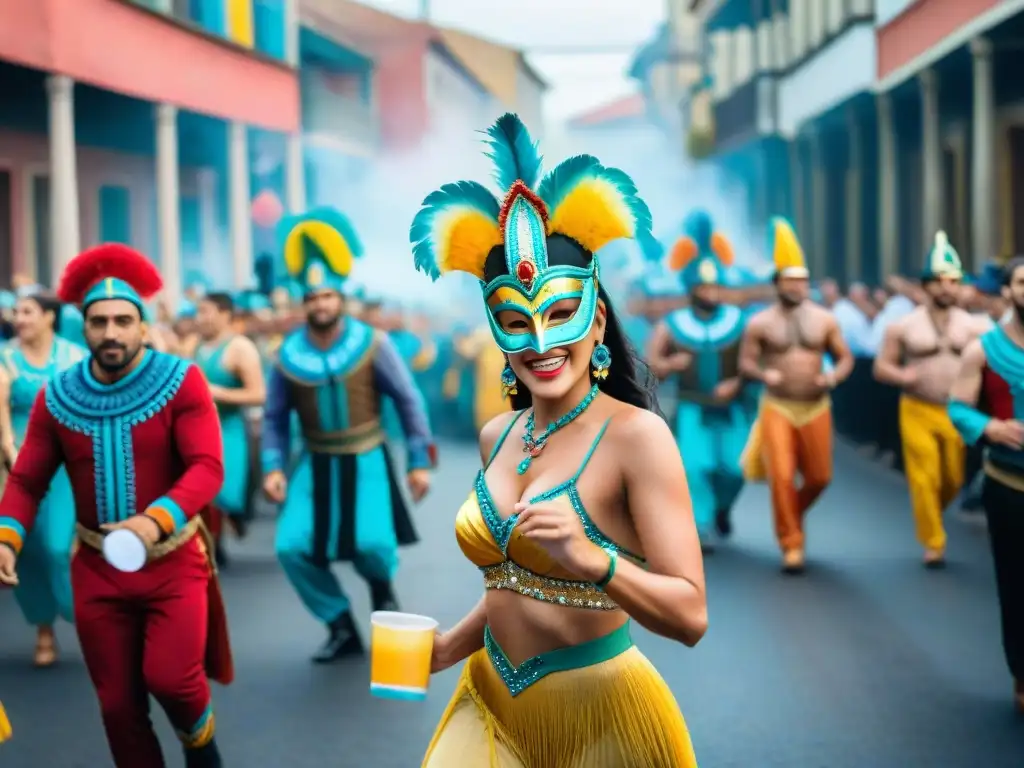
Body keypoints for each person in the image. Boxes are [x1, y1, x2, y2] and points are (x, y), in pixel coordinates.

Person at [411, 113, 705, 767]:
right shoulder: (500, 433)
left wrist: (591, 557)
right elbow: (510, 583)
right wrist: (446, 648)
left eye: (560, 315)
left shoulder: (637, 438)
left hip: (603, 719)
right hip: (486, 697)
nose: (541, 343)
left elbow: (690, 616)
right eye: (517, 321)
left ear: (596, 320)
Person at [0, 243, 232, 768]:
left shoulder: (182, 381)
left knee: (173, 678)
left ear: (143, 326)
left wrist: (155, 522)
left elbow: (207, 469)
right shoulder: (56, 395)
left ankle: (202, 748)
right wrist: (7, 538)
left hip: (174, 560)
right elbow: (28, 478)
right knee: (117, 706)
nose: (111, 332)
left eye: (124, 320)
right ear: (81, 326)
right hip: (97, 569)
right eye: (99, 320)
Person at [262, 207, 437, 663]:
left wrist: (419, 461)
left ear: (339, 296)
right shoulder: (286, 355)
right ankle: (340, 624)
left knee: (374, 546)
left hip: (366, 457)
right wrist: (273, 467)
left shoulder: (373, 343)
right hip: (313, 461)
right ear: (303, 303)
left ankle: (382, 590)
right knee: (290, 547)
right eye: (312, 298)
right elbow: (276, 418)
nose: (320, 304)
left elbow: (408, 399)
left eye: (326, 295)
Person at [738, 218, 854, 573]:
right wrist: (763, 373)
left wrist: (833, 376)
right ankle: (792, 543)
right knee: (783, 477)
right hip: (778, 405)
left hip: (816, 405)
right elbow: (745, 364)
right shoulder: (759, 323)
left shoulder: (825, 319)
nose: (798, 286)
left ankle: (791, 512)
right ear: (777, 284)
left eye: (803, 281)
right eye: (790, 280)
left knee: (820, 477)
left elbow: (846, 357)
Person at [872, 232, 989, 567]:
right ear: (925, 286)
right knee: (924, 475)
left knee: (951, 477)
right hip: (917, 407)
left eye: (952, 281)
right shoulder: (903, 326)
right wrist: (902, 376)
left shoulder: (975, 327)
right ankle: (934, 541)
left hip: (956, 410)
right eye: (938, 281)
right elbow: (881, 366)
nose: (946, 288)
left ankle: (931, 515)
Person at [646, 210, 749, 550]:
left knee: (735, 469)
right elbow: (652, 363)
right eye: (704, 286)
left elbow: (754, 360)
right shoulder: (672, 324)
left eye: (715, 285)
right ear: (692, 288)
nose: (711, 292)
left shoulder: (739, 322)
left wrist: (738, 382)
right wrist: (670, 362)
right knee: (696, 467)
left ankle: (721, 508)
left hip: (731, 409)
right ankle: (701, 524)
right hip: (692, 408)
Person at [948, 256, 1024, 713]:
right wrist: (990, 428)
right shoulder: (983, 349)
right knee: (1016, 584)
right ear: (1008, 290)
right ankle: (1021, 673)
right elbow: (957, 408)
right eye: (1022, 281)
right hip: (1008, 483)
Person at [0, 290, 85, 666]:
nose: (20, 318)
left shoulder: (74, 357)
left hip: (65, 464)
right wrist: (10, 450)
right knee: (27, 549)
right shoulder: (5, 358)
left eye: (28, 311)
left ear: (50, 317)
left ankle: (78, 611)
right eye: (17, 312)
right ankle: (43, 630)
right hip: (16, 462)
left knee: (56, 546)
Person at [182, 292, 266, 563]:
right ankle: (211, 548)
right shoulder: (193, 344)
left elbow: (258, 394)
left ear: (225, 314)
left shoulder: (240, 347)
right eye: (198, 312)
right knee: (199, 492)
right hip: (193, 430)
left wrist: (217, 392)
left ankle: (231, 519)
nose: (200, 318)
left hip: (227, 430)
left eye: (206, 311)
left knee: (223, 493)